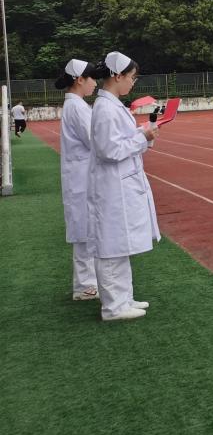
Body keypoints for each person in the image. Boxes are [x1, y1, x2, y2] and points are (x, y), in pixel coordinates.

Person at [86, 52, 159, 321]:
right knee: (111, 246)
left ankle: (123, 298)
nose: (133, 82)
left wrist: (143, 134)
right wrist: (142, 138)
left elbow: (121, 141)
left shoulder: (113, 105)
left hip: (121, 183)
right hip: (112, 186)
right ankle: (113, 307)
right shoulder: (105, 109)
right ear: (117, 76)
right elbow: (109, 150)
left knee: (121, 245)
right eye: (131, 77)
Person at [57, 59, 100, 302]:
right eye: (92, 78)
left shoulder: (77, 105)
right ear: (79, 79)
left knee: (86, 230)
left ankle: (88, 283)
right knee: (84, 232)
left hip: (81, 176)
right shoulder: (76, 107)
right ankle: (85, 286)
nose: (95, 83)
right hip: (81, 178)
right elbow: (95, 140)